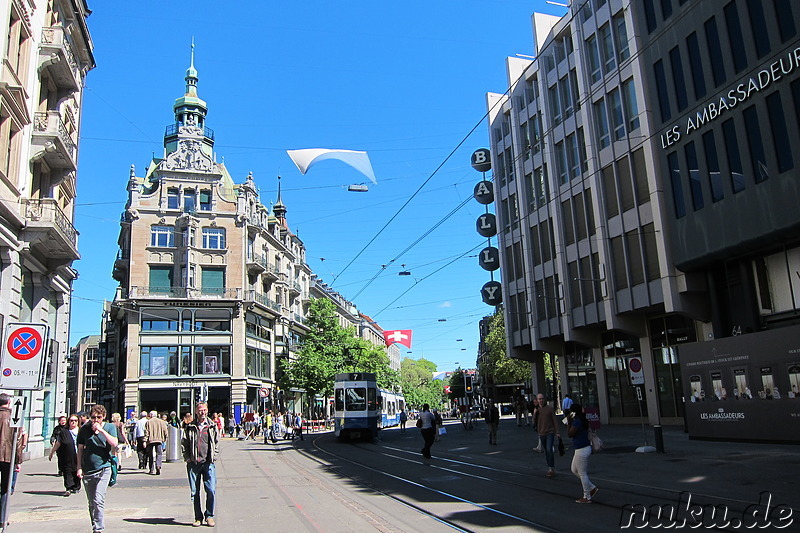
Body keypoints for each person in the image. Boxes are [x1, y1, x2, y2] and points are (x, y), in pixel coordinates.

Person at [76, 404, 119, 533]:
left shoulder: (110, 427)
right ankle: (95, 525)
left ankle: (99, 529)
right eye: (93, 417)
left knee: (98, 499)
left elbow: (114, 443)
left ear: (104, 417)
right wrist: (78, 467)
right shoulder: (84, 429)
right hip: (88, 470)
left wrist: (101, 430)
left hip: (104, 468)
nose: (95, 420)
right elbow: (79, 449)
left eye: (98, 417)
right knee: (92, 503)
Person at [181, 402, 219, 528]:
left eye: (204, 410)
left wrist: (214, 456)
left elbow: (217, 442)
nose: (203, 412)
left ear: (207, 410)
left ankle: (209, 516)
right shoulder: (190, 426)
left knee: (211, 490)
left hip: (208, 463)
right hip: (194, 464)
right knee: (195, 492)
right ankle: (198, 517)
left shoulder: (212, 426)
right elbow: (184, 443)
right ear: (196, 412)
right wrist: (187, 458)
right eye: (200, 410)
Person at [0, 394, 25, 524]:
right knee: (5, 488)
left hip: (6, 456)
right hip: (8, 457)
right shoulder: (14, 417)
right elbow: (18, 441)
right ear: (9, 403)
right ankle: (3, 518)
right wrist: (18, 461)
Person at [568, 403, 598, 504]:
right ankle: (591, 487)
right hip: (582, 448)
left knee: (582, 473)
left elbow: (570, 434)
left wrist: (568, 423)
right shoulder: (583, 419)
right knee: (574, 469)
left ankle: (587, 496)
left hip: (581, 449)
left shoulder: (577, 421)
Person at [49, 414, 81, 495]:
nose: (73, 422)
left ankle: (76, 487)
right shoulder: (64, 432)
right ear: (68, 422)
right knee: (67, 471)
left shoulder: (81, 431)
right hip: (67, 455)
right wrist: (52, 452)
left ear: (78, 422)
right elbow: (58, 443)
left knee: (77, 471)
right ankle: (69, 488)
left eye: (75, 421)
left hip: (79, 455)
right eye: (71, 421)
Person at [535, 393, 561, 478]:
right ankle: (549, 466)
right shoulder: (537, 410)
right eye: (539, 399)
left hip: (550, 432)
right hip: (542, 433)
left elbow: (555, 420)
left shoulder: (550, 409)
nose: (541, 400)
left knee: (549, 449)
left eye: (542, 399)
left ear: (544, 399)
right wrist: (535, 413)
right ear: (537, 400)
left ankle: (551, 468)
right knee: (546, 451)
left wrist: (557, 432)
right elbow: (534, 422)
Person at [145, 410, 168, 475]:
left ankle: (151, 469)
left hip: (151, 440)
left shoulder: (148, 422)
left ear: (151, 415)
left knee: (150, 455)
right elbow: (165, 431)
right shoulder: (161, 422)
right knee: (159, 453)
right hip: (159, 440)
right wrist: (165, 438)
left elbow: (146, 432)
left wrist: (145, 440)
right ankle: (158, 466)